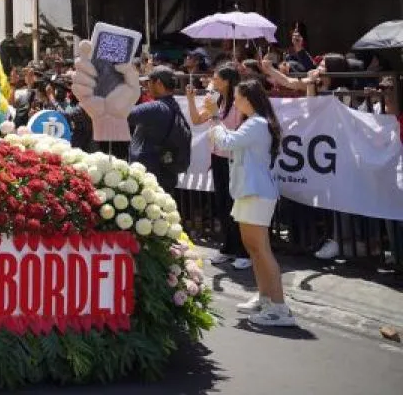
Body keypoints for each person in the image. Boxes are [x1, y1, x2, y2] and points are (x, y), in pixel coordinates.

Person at [201, 80, 296, 327]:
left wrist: (214, 117)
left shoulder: (256, 123)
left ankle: (279, 308)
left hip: (256, 192)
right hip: (249, 192)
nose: (235, 102)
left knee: (261, 250)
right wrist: (215, 120)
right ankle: (265, 297)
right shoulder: (254, 122)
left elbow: (227, 142)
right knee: (253, 248)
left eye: (237, 98)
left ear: (248, 99)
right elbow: (228, 141)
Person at [186, 64, 251, 270]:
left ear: (227, 81)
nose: (212, 81)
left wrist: (215, 115)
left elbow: (235, 131)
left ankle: (244, 251)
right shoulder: (215, 99)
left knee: (235, 204)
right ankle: (228, 247)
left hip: (235, 158)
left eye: (216, 78)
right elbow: (197, 119)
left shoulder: (239, 102)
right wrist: (191, 99)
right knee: (222, 203)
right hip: (217, 157)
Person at [126, 66, 184, 195]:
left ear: (158, 83)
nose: (146, 86)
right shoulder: (173, 105)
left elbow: (123, 114)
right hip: (165, 171)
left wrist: (130, 93)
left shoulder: (155, 108)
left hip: (150, 175)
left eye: (149, 82)